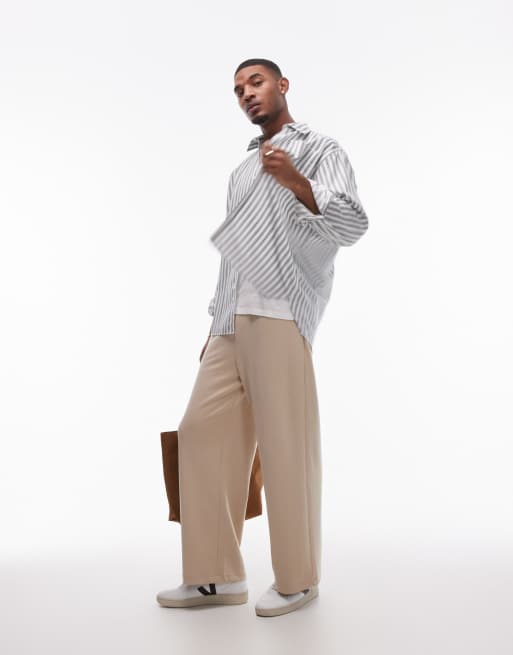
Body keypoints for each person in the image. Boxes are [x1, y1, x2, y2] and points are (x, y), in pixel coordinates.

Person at [156, 58, 369, 618]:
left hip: (281, 316)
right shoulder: (241, 172)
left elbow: (352, 225)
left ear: (282, 85)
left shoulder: (321, 149)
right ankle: (216, 577)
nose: (247, 94)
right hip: (231, 323)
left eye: (256, 82)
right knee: (199, 432)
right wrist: (215, 325)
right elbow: (232, 259)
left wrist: (296, 180)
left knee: (285, 448)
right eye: (238, 90)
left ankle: (298, 581)